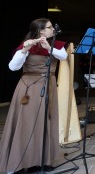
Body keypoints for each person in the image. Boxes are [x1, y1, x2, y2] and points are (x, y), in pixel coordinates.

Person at [0, 18, 67, 173]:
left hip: (48, 84)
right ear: (41, 31)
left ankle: (44, 159)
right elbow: (13, 67)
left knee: (47, 121)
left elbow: (63, 57)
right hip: (29, 88)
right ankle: (20, 161)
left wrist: (48, 47)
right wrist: (24, 50)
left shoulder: (56, 44)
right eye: (50, 27)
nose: (53, 29)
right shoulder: (27, 44)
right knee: (27, 122)